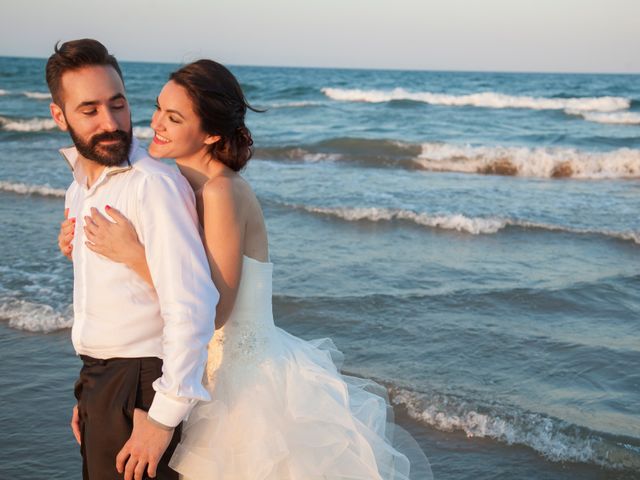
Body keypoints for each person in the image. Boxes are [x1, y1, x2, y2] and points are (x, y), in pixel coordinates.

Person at [59, 58, 432, 479]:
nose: (157, 124)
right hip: (188, 370)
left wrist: (133, 255)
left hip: (240, 383)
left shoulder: (221, 191)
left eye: (175, 118)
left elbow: (215, 309)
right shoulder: (172, 184)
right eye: (159, 108)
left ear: (211, 134)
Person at [48, 39, 218, 480]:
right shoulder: (79, 187)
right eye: (90, 110)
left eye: (118, 104)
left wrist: (161, 420)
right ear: (59, 115)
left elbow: (191, 305)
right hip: (101, 381)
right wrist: (91, 395)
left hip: (144, 385)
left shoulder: (153, 185)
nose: (111, 123)